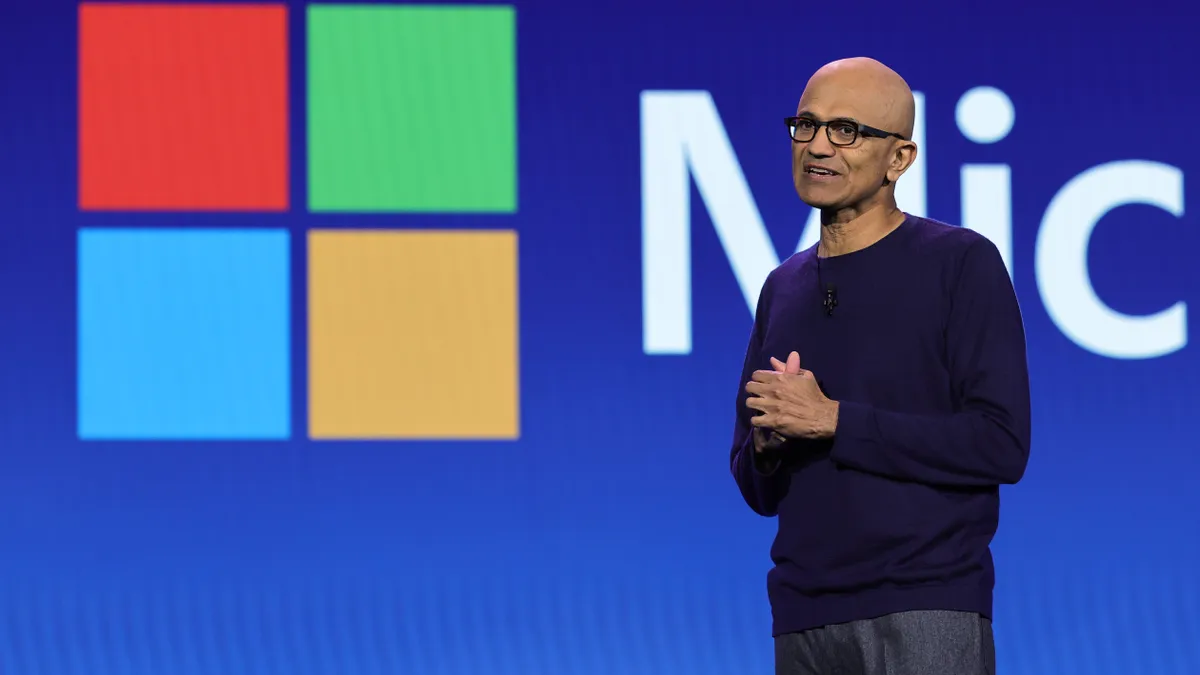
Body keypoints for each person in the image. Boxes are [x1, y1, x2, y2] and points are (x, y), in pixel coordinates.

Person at [729, 57, 1032, 675]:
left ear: (900, 159)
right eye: (806, 125)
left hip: (925, 605)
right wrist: (766, 443)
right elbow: (756, 488)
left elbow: (1001, 445)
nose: (817, 146)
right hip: (803, 617)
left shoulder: (960, 264)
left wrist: (835, 420)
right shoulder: (781, 287)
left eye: (846, 130)